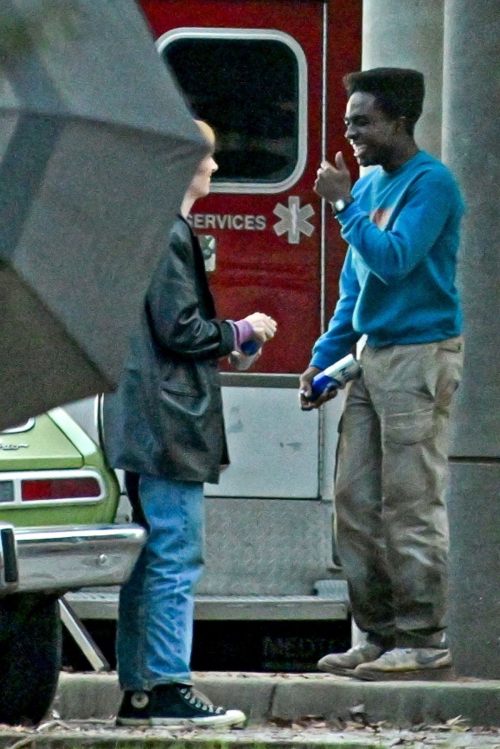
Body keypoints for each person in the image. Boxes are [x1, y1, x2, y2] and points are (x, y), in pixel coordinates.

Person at [103, 120, 277, 726]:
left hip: (145, 418)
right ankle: (169, 685)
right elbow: (180, 330)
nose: (216, 170)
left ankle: (142, 692)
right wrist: (240, 330)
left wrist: (229, 339)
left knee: (150, 559)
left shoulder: (146, 230)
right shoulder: (168, 232)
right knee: (176, 556)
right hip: (169, 422)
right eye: (208, 160)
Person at [299, 68, 464, 680]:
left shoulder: (433, 185)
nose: (351, 130)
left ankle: (423, 638)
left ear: (400, 120)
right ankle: (378, 635)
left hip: (421, 357)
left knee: (410, 503)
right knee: (354, 504)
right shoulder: (369, 189)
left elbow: (395, 263)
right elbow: (356, 289)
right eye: (348, 121)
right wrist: (322, 357)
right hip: (370, 358)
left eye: (362, 120)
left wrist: (342, 205)